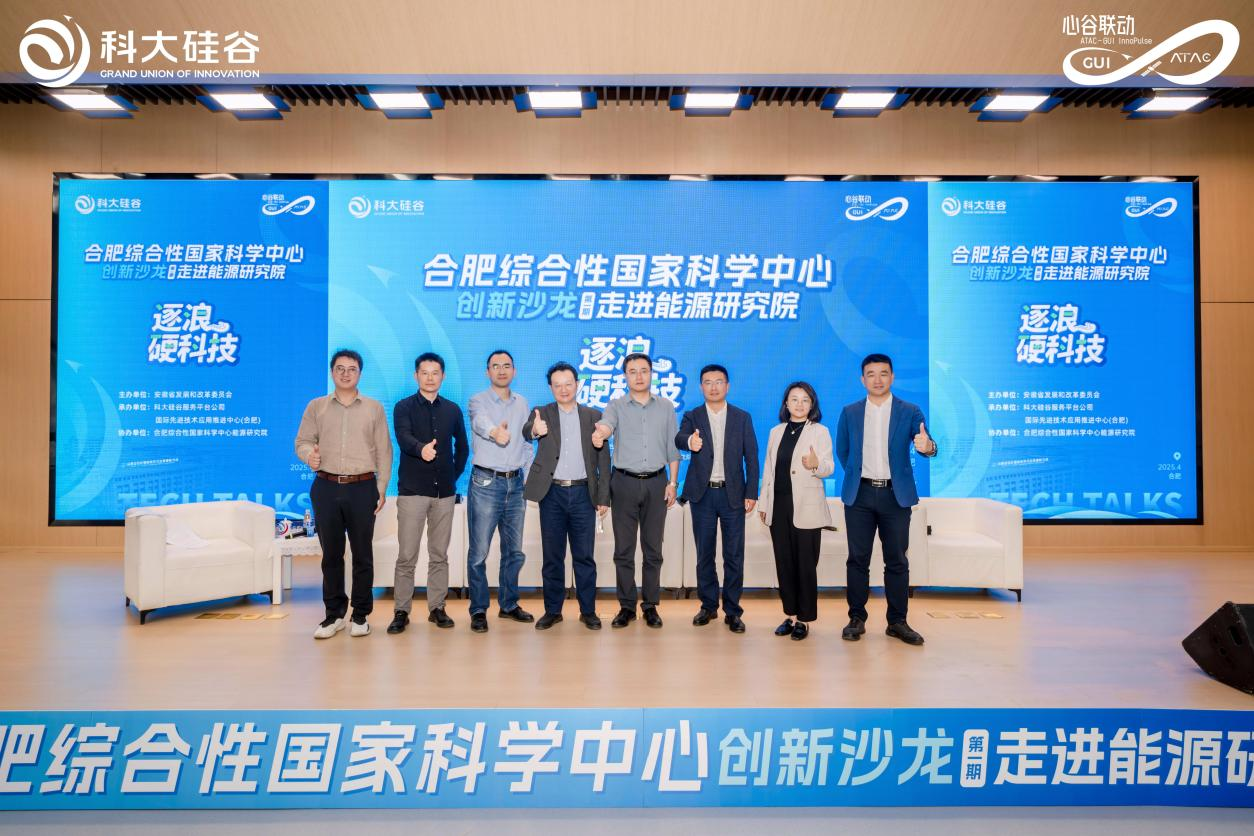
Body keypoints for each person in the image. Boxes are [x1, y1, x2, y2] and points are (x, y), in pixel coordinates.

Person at [836, 353, 937, 646]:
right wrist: (858, 476)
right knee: (858, 560)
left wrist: (927, 446)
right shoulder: (850, 412)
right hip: (860, 495)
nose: (877, 379)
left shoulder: (910, 411)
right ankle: (856, 618)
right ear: (862, 379)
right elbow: (844, 452)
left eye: (883, 373)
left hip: (896, 496)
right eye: (871, 374)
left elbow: (928, 445)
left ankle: (897, 621)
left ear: (892, 377)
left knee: (897, 560)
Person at [295, 349, 393, 640]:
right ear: (332, 372)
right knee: (331, 556)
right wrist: (308, 456)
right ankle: (334, 615)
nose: (346, 373)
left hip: (363, 487)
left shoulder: (374, 408)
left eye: (352, 369)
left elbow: (384, 450)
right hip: (326, 486)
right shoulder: (316, 406)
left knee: (363, 554)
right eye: (340, 368)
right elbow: (302, 442)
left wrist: (382, 487)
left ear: (360, 373)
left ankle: (360, 615)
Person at [590, 353, 680, 629]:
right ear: (625, 376)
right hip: (624, 483)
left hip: (657, 482)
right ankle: (627, 606)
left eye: (643, 370)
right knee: (624, 550)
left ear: (651, 373)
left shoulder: (666, 407)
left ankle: (650, 606)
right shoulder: (616, 405)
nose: (639, 376)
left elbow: (672, 448)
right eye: (632, 371)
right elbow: (607, 425)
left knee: (653, 550)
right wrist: (600, 434)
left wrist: (673, 483)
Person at [523, 362, 612, 630]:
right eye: (557, 385)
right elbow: (527, 431)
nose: (563, 389)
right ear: (551, 387)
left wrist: (603, 497)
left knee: (584, 556)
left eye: (568, 384)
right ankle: (553, 611)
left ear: (577, 385)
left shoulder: (594, 415)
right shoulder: (542, 413)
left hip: (584, 493)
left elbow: (603, 459)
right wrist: (534, 430)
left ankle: (588, 611)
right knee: (553, 556)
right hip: (552, 493)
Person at [387, 352, 469, 635]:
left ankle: (437, 608)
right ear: (416, 376)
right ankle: (401, 611)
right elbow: (403, 438)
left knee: (439, 554)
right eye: (425, 372)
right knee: (406, 555)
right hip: (412, 492)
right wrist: (421, 449)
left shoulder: (453, 410)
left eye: (435, 373)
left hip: (444, 493)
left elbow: (463, 448)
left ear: (443, 376)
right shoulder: (403, 407)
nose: (430, 378)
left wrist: (452, 476)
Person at [675, 364, 759, 633]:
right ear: (701, 387)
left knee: (734, 555)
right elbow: (679, 438)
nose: (713, 387)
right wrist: (690, 442)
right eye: (708, 382)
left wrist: (751, 492)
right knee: (705, 554)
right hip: (703, 495)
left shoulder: (742, 417)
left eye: (718, 381)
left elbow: (752, 457)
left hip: (733, 495)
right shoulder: (692, 416)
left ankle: (733, 611)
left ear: (727, 386)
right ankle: (708, 605)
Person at [757, 381, 834, 641]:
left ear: (812, 404)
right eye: (794, 399)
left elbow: (829, 467)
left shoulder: (820, 431)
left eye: (805, 400)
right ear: (786, 403)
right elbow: (768, 470)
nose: (799, 404)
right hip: (778, 506)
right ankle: (789, 615)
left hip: (807, 507)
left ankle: (804, 619)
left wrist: (816, 464)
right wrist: (764, 503)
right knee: (784, 563)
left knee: (805, 566)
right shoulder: (776, 431)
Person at [466, 349, 534, 632]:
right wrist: (495, 432)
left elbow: (526, 443)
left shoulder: (523, 403)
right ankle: (478, 609)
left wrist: (528, 477)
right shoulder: (477, 400)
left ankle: (508, 604)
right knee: (479, 553)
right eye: (496, 366)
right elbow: (480, 422)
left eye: (507, 365)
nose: (502, 370)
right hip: (486, 483)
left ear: (514, 371)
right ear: (487, 372)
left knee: (514, 552)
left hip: (516, 484)